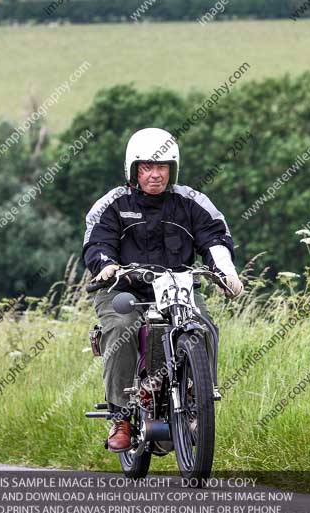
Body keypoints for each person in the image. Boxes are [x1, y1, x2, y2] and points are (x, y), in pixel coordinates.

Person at [82, 127, 243, 453]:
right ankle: (121, 415)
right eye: (146, 167)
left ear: (173, 169)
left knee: (204, 326)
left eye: (162, 167)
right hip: (123, 289)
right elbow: (97, 242)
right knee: (122, 327)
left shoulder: (192, 203)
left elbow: (214, 238)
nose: (154, 174)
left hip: (177, 286)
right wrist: (106, 266)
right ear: (133, 170)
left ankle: (197, 400)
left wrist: (226, 271)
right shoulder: (113, 204)